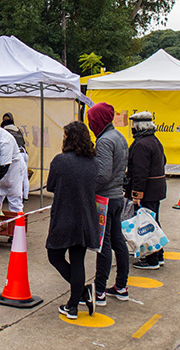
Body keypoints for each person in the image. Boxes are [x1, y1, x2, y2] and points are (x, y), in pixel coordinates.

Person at [46, 121, 99, 319]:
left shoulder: (60, 161)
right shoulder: (94, 162)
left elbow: (50, 186)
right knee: (78, 260)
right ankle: (74, 304)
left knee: (55, 256)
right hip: (86, 217)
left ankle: (81, 295)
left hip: (64, 216)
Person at [87, 103, 129, 305]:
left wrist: (88, 189)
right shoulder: (120, 137)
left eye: (91, 120)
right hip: (118, 197)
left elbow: (103, 174)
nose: (89, 124)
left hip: (105, 199)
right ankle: (121, 285)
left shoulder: (104, 141)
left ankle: (100, 291)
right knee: (118, 241)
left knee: (103, 244)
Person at [126, 112, 167, 270]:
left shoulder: (142, 144)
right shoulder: (154, 141)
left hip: (147, 190)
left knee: (147, 224)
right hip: (156, 188)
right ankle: (159, 254)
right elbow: (164, 160)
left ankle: (152, 259)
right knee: (153, 222)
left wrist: (136, 193)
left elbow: (140, 171)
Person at [1, 112, 29, 201]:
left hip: (16, 155)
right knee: (24, 175)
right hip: (24, 153)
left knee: (15, 176)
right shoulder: (18, 130)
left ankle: (15, 195)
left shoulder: (4, 131)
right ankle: (25, 196)